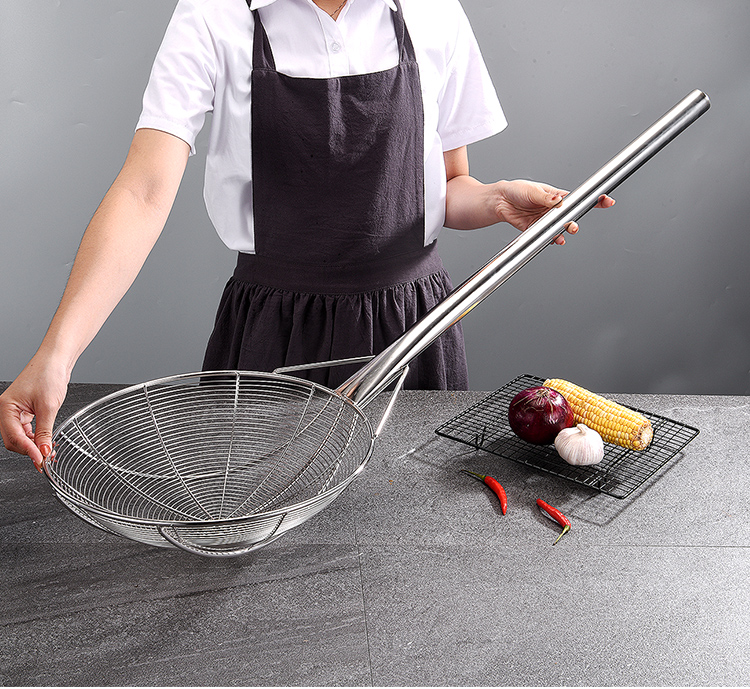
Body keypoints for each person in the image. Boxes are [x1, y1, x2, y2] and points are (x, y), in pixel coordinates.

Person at [0, 0, 613, 472]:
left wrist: (496, 200)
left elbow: (451, 187)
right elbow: (143, 193)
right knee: (256, 541)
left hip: (413, 333)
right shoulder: (213, 15)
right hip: (273, 336)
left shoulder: (431, 11)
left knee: (415, 543)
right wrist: (57, 354)